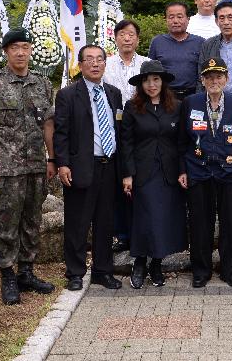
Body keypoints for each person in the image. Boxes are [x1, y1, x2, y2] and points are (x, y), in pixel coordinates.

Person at [0, 27, 56, 305]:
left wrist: (52, 158)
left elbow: (47, 125)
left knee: (32, 221)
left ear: (31, 50)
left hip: (35, 166)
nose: (21, 52)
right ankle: (8, 274)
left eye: (25, 47)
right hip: (6, 168)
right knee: (6, 223)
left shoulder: (42, 85)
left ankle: (27, 272)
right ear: (6, 52)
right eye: (14, 48)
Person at [54, 45, 124, 291]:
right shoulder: (68, 95)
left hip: (109, 166)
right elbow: (61, 133)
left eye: (99, 60)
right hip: (81, 166)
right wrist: (62, 163)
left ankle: (103, 272)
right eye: (89, 60)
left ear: (106, 64)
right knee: (77, 222)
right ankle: (75, 272)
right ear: (81, 65)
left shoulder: (114, 94)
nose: (95, 64)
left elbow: (118, 130)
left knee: (105, 223)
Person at [178, 57, 232, 289]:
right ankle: (201, 271)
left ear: (227, 79)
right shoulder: (191, 103)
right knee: (200, 223)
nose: (214, 80)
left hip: (231, 171)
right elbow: (181, 140)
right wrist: (182, 169)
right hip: (198, 170)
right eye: (209, 76)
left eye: (219, 76)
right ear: (202, 80)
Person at [121, 60, 186, 289]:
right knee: (144, 218)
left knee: (164, 219)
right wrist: (127, 174)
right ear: (141, 84)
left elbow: (182, 142)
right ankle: (139, 262)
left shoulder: (177, 107)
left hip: (169, 172)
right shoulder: (132, 107)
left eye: (156, 79)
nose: (151, 84)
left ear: (163, 82)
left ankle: (156, 264)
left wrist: (182, 170)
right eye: (147, 80)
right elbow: (126, 143)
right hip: (143, 172)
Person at [103, 18, 149, 254]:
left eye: (131, 34)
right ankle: (121, 234)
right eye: (122, 34)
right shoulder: (106, 65)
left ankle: (141, 231)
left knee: (141, 181)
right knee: (119, 181)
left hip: (143, 127)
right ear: (116, 38)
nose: (127, 38)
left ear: (138, 39)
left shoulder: (147, 63)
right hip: (113, 126)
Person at [148, 2, 206, 99]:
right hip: (165, 96)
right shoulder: (157, 42)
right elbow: (150, 71)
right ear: (166, 20)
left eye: (180, 17)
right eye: (171, 17)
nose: (175, 21)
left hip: (193, 95)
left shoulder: (200, 42)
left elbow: (204, 72)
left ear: (188, 19)